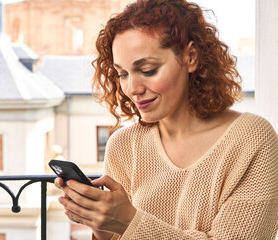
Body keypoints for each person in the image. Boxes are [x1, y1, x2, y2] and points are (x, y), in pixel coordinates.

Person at [55, 0, 278, 239]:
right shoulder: (123, 145)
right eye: (122, 74)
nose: (132, 88)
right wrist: (100, 223)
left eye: (148, 70)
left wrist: (129, 221)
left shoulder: (253, 140)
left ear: (191, 57)